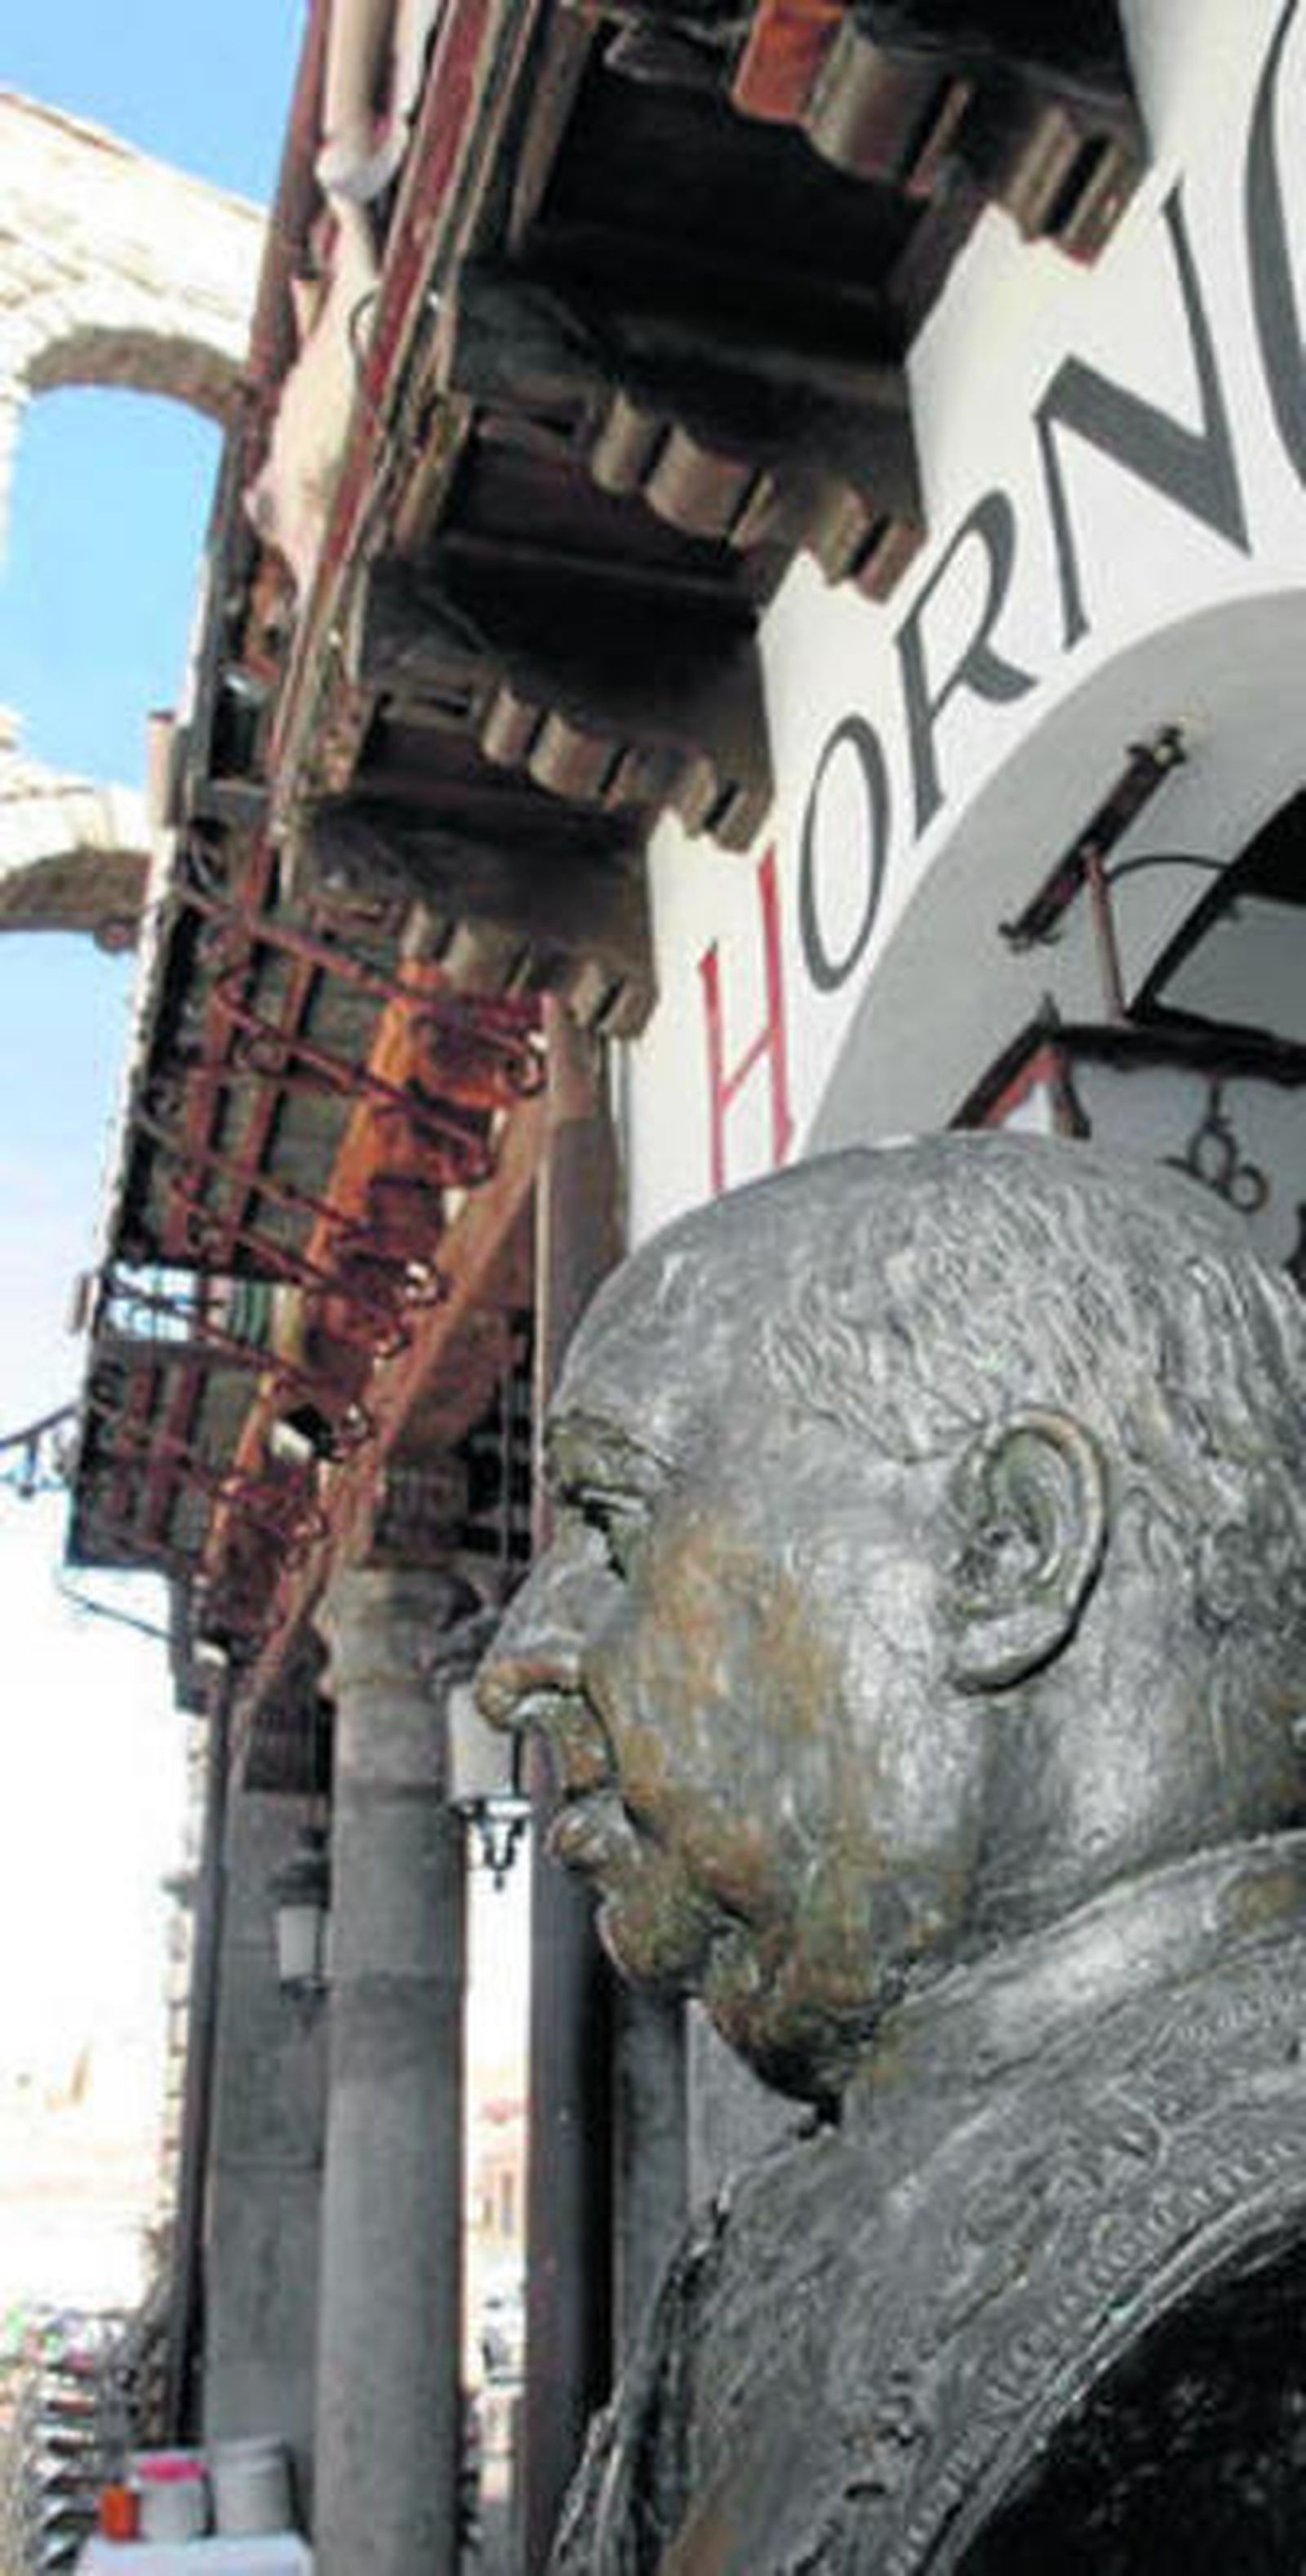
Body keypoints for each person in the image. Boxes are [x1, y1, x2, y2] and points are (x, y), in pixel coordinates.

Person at [478, 1134, 1306, 2573]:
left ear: (1007, 1552)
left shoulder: (1255, 2316)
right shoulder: (775, 2243)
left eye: (612, 1523)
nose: (518, 1663)